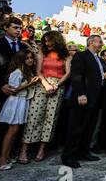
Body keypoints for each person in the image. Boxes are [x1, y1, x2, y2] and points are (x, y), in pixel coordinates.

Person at [19, 31, 71, 163]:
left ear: (56, 40)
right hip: (42, 84)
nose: (46, 43)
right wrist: (47, 84)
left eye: (49, 40)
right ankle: (24, 150)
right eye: (45, 41)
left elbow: (68, 73)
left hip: (58, 87)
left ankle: (42, 149)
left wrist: (56, 85)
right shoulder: (42, 53)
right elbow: (38, 71)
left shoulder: (66, 55)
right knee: (34, 116)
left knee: (51, 118)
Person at [61, 35, 105, 169]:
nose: (102, 44)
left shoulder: (97, 58)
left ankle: (83, 152)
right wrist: (80, 93)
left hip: (94, 99)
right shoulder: (81, 56)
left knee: (88, 128)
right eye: (100, 41)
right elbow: (76, 76)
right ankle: (68, 156)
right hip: (83, 98)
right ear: (92, 42)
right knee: (76, 128)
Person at [0, 51, 39, 170]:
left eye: (31, 58)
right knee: (12, 130)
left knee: (15, 130)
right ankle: (2, 159)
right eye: (27, 58)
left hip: (22, 101)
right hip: (15, 102)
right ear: (21, 60)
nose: (30, 60)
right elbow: (13, 90)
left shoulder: (27, 71)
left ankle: (7, 156)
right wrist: (30, 84)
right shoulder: (17, 72)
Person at [0, 17, 26, 164]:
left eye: (20, 28)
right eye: (15, 27)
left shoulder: (23, 47)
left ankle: (6, 154)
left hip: (18, 92)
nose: (18, 31)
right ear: (6, 28)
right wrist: (1, 85)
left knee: (13, 125)